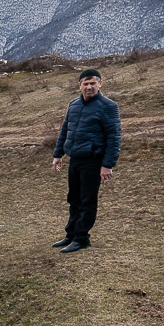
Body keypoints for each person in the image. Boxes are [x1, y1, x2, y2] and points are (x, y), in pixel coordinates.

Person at [51, 68, 121, 253]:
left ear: (100, 83)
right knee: (73, 198)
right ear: (79, 85)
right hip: (75, 159)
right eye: (85, 83)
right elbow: (65, 130)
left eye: (93, 83)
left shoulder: (108, 106)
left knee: (87, 200)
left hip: (93, 160)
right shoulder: (73, 105)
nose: (89, 87)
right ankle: (71, 234)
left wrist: (107, 165)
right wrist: (58, 155)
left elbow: (114, 137)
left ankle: (82, 238)